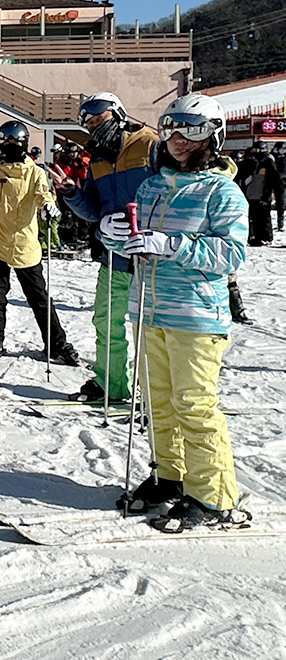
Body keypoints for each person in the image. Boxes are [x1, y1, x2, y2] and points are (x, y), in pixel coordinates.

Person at [98, 94, 250, 532]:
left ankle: (213, 495)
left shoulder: (222, 192)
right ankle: (170, 476)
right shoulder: (151, 187)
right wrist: (112, 234)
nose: (179, 140)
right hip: (148, 309)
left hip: (195, 315)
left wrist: (172, 245)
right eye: (171, 130)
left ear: (213, 136)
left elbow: (231, 254)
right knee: (158, 404)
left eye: (192, 130)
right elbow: (137, 240)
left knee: (194, 406)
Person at [53, 92, 159, 403]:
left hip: (150, 256)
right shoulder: (97, 160)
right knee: (106, 320)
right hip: (114, 255)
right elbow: (93, 209)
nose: (96, 126)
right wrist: (72, 194)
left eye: (101, 118)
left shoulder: (149, 145)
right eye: (90, 124)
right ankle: (111, 382)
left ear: (119, 114)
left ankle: (158, 390)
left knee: (151, 327)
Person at [0, 121, 74, 364]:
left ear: (25, 145)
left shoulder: (35, 173)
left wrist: (48, 207)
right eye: (6, 144)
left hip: (25, 245)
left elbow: (43, 195)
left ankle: (56, 342)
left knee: (39, 297)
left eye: (16, 144)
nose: (11, 148)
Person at [236, 141, 279, 246]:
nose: (255, 153)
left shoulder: (268, 162)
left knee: (264, 218)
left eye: (257, 150)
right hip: (252, 194)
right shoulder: (254, 162)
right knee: (255, 218)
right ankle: (256, 237)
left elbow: (272, 181)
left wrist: (266, 196)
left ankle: (266, 237)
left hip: (262, 195)